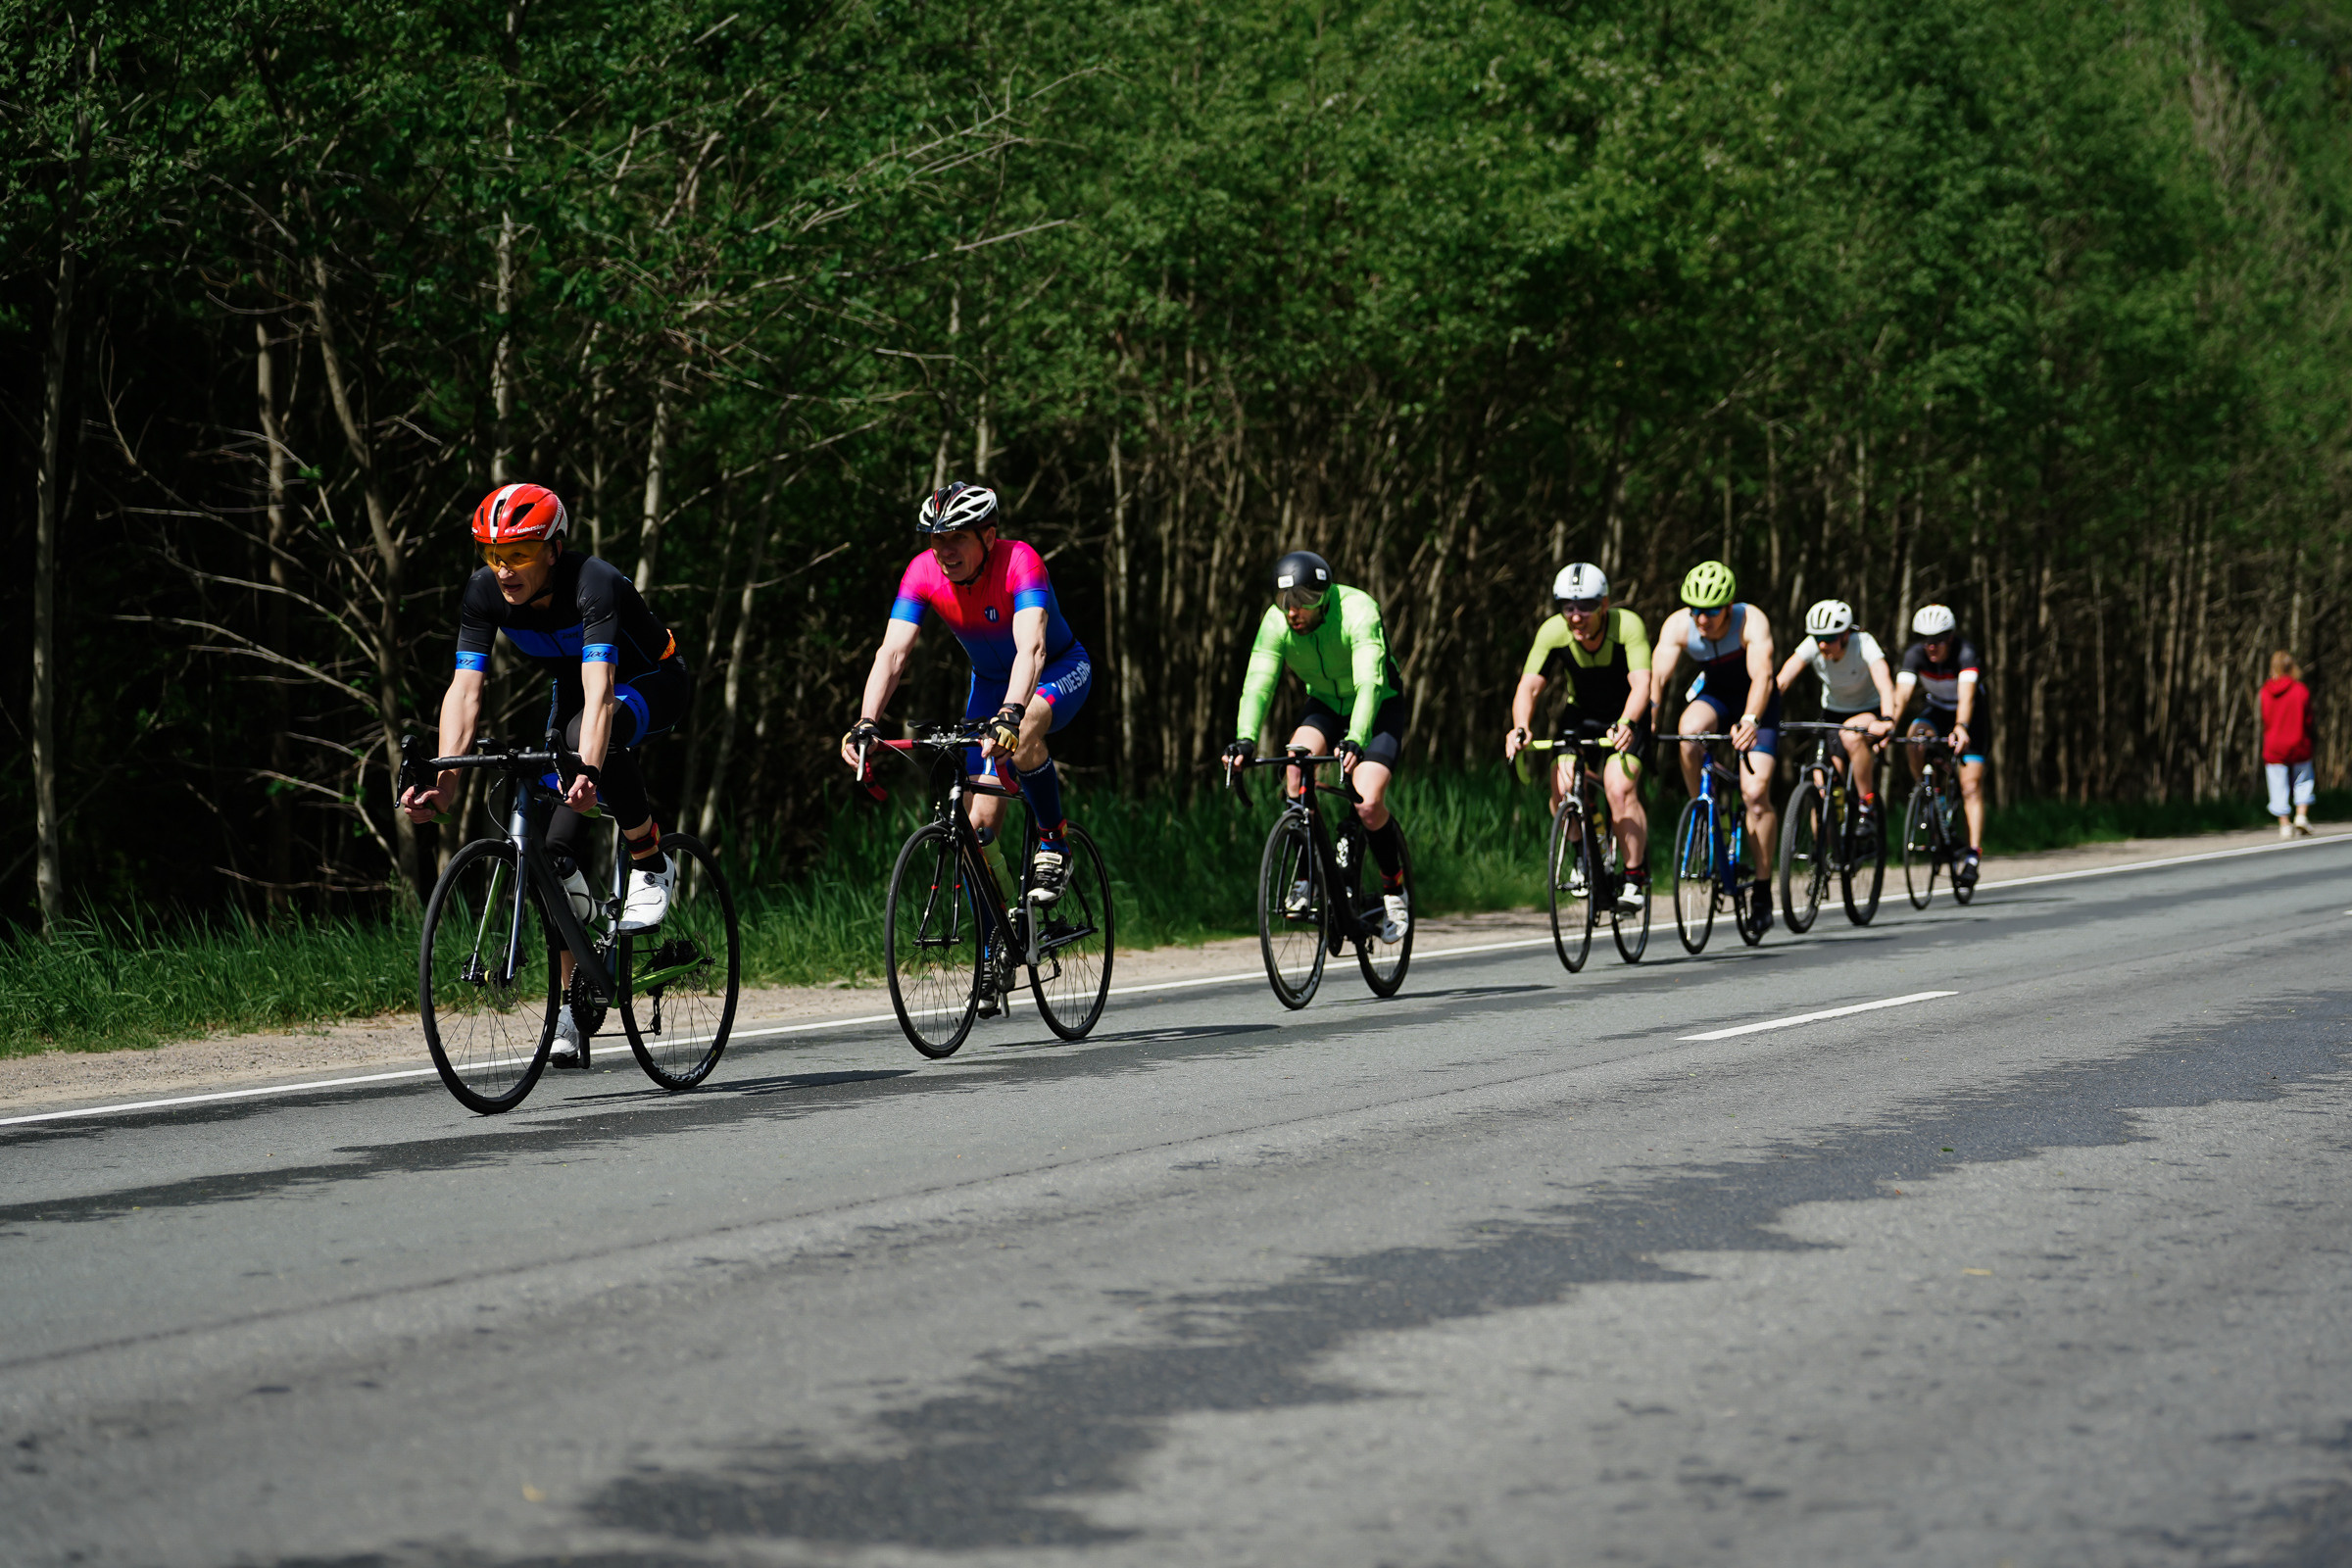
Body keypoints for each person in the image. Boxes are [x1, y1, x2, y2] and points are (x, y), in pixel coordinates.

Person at [400, 482, 690, 1065]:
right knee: (551, 854)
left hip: (652, 682)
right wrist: (445, 782)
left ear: (554, 550)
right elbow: (465, 692)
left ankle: (651, 858)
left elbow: (602, 690)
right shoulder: (483, 593)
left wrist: (589, 769)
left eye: (520, 554)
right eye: (494, 554)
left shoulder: (593, 583)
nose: (504, 570)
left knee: (588, 737)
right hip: (576, 691)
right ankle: (571, 1005)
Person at [842, 482, 1090, 947]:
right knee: (976, 831)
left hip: (1055, 669)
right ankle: (998, 947)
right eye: (936, 538)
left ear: (988, 536)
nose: (945, 549)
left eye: (957, 537)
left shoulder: (1020, 561)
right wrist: (866, 721)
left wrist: (1011, 714)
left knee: (1024, 733)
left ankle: (1054, 842)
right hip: (991, 684)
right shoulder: (922, 572)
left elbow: (1032, 649)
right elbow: (892, 653)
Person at [1222, 551, 1411, 943]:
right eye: (1284, 600)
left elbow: (1369, 682)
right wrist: (1245, 739)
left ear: (1324, 597)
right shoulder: (1276, 622)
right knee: (1295, 767)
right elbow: (1258, 682)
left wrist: (1356, 738)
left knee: (1367, 801)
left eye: (1303, 600)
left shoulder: (1358, 610)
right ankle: (1306, 877)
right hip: (1325, 703)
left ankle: (1394, 889)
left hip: (1378, 705)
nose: (1292, 611)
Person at [1504, 563, 1652, 910]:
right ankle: (1585, 854)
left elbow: (1642, 683)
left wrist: (1627, 722)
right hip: (1582, 714)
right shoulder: (1553, 631)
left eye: (1585, 606)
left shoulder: (1627, 625)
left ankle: (1634, 878)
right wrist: (1521, 726)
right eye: (1567, 607)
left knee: (1619, 788)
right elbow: (1529, 686)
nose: (1575, 616)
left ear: (1604, 604)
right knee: (1562, 788)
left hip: (1627, 713)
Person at [1650, 561, 1780, 932]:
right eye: (1696, 611)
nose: (1702, 619)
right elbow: (1657, 676)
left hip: (1758, 702)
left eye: (1711, 611)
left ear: (1729, 607)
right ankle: (1703, 813)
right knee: (1688, 732)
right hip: (1717, 696)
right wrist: (1650, 718)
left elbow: (1763, 676)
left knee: (1755, 795)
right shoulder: (1678, 625)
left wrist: (1751, 720)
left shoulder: (1751, 620)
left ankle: (1762, 890)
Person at [1772, 599, 1896, 825]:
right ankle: (1823, 842)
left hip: (1867, 710)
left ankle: (1866, 805)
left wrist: (1887, 718)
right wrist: (1759, 714)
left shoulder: (1864, 643)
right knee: (1822, 784)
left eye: (1829, 639)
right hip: (1831, 712)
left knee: (1850, 735)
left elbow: (1884, 681)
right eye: (1818, 638)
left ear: (1845, 634)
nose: (1822, 645)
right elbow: (1783, 680)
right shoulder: (1813, 645)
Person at [1891, 604, 1986, 888]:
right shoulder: (1915, 655)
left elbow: (1966, 697)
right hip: (1937, 710)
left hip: (1971, 715)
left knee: (1970, 786)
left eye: (1938, 640)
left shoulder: (1965, 653)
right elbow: (1902, 695)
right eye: (1925, 639)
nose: (1931, 646)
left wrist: (1961, 727)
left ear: (1951, 637)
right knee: (1915, 738)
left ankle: (1973, 855)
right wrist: (1888, 725)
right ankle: (1929, 798)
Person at [2260, 651, 2316, 837]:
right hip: (2298, 741)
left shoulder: (2265, 692)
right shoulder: (2300, 690)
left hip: (2274, 743)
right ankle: (2301, 815)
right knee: (2303, 778)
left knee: (2277, 782)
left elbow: (2265, 718)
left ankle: (2284, 824)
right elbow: (2309, 719)